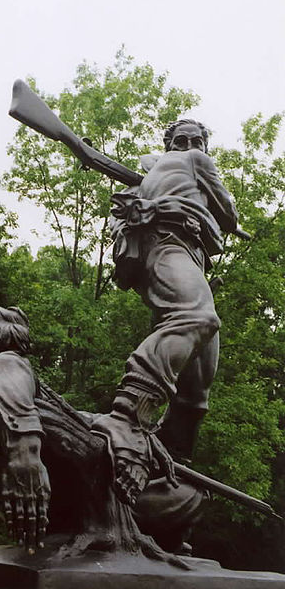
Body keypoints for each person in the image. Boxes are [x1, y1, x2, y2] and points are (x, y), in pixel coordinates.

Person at [92, 119, 241, 509]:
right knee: (198, 317)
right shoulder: (196, 160)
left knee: (196, 391)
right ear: (174, 145)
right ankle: (128, 414)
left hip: (186, 254)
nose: (190, 145)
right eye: (182, 140)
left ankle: (168, 482)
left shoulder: (146, 178)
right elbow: (229, 212)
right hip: (169, 243)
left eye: (195, 140)